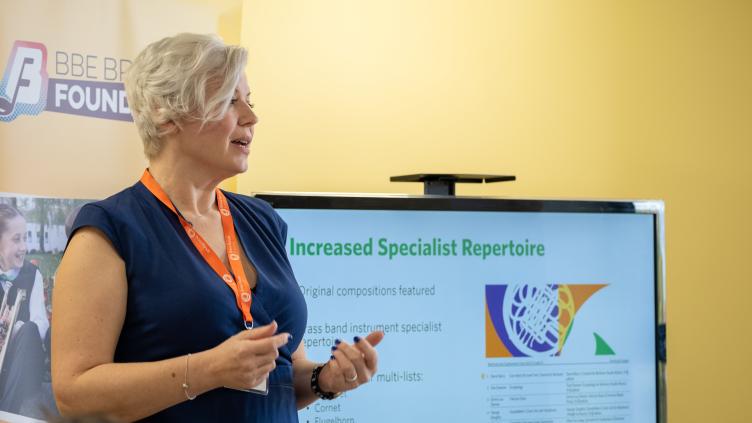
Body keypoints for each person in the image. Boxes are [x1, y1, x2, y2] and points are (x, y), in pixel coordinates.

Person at [51, 33, 383, 422]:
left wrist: (325, 379)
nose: (251, 117)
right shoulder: (109, 231)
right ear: (165, 112)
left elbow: (277, 378)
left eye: (250, 101)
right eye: (230, 100)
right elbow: (74, 394)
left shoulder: (263, 222)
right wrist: (208, 370)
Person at [0, 203, 50, 414]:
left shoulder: (33, 274)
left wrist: (16, 327)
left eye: (25, 238)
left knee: (29, 328)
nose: (24, 247)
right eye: (16, 239)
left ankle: (5, 412)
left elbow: (41, 324)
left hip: (25, 358)